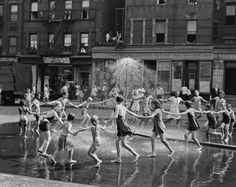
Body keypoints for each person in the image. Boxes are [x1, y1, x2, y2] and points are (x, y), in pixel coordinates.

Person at [105, 95, 140, 163]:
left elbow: (115, 116)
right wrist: (138, 116)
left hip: (121, 125)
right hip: (122, 124)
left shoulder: (117, 106)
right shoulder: (123, 107)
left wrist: (107, 121)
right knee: (118, 142)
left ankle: (136, 154)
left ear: (116, 100)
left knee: (123, 143)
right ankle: (119, 158)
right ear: (122, 101)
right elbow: (131, 113)